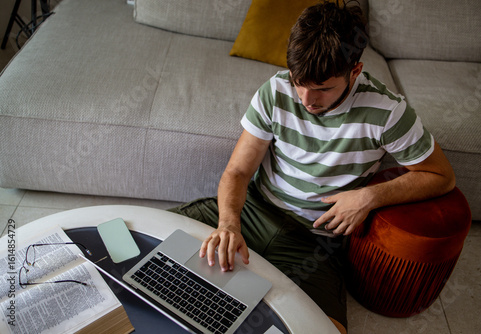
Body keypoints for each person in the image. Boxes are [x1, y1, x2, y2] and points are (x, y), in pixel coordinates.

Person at [170, 1, 455, 332]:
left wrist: (369, 197)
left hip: (313, 242)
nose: (306, 99)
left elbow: (441, 176)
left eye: (322, 89)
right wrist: (229, 224)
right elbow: (237, 172)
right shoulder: (275, 91)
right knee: (132, 246)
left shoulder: (388, 112)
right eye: (298, 82)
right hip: (251, 212)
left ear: (355, 71)